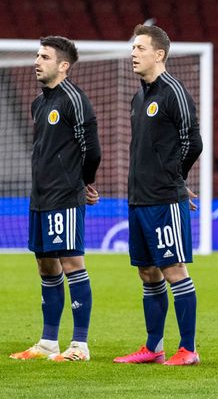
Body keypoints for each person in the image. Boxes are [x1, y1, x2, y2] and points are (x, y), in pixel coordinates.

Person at [113, 24, 203, 366]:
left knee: (173, 269)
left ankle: (189, 348)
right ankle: (153, 347)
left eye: (140, 48)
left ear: (159, 54)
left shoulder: (173, 92)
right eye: (133, 48)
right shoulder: (140, 97)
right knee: (148, 273)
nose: (133, 53)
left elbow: (192, 142)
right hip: (139, 199)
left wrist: (174, 180)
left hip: (164, 200)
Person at [10, 36, 101, 362]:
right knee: (45, 265)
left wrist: (84, 184)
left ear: (63, 65)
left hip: (65, 196)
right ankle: (48, 341)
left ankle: (79, 345)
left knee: (71, 263)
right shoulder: (39, 103)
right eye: (37, 55)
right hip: (40, 197)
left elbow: (92, 149)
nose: (37, 61)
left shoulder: (74, 99)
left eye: (44, 56)